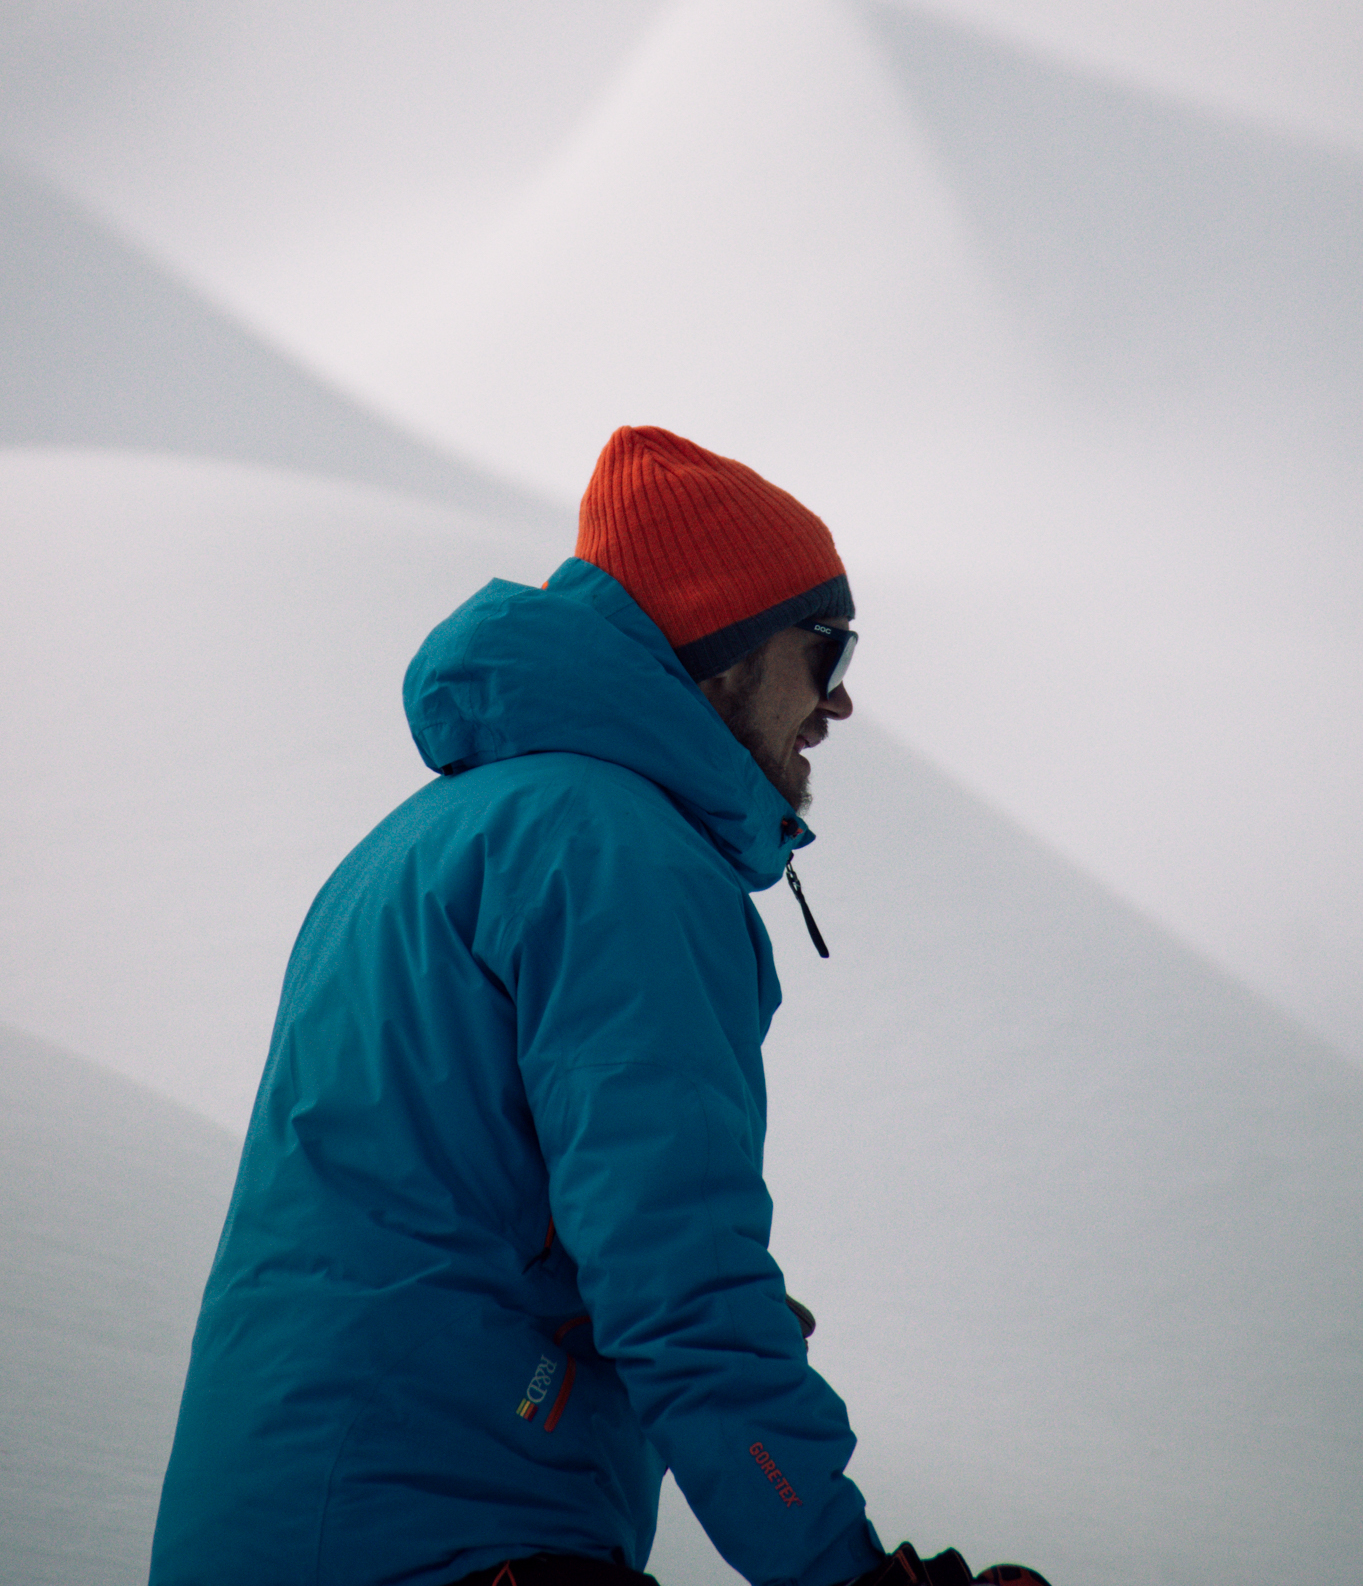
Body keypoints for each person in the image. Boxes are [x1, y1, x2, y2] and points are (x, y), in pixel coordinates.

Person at [151, 426, 1047, 1586]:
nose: (841, 702)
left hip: (304, 1519)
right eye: (823, 648)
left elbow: (450, 1214)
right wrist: (843, 1568)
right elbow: (676, 1283)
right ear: (722, 652)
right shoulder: (616, 854)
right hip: (439, 1536)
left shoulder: (442, 832)